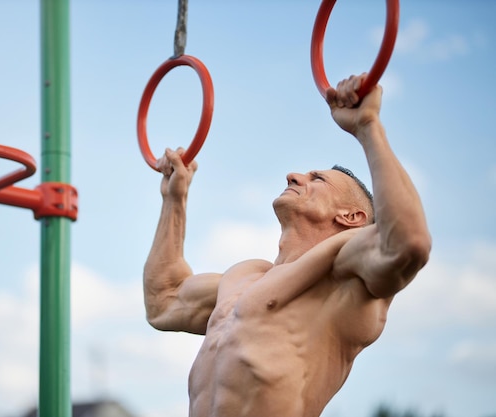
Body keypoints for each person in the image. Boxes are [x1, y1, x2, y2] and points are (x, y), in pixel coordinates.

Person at [142, 73, 431, 417]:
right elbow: (163, 299)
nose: (294, 175)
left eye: (317, 179)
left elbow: (408, 243)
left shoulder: (345, 277)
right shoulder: (244, 277)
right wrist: (175, 199)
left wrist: (368, 126)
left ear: (352, 216)